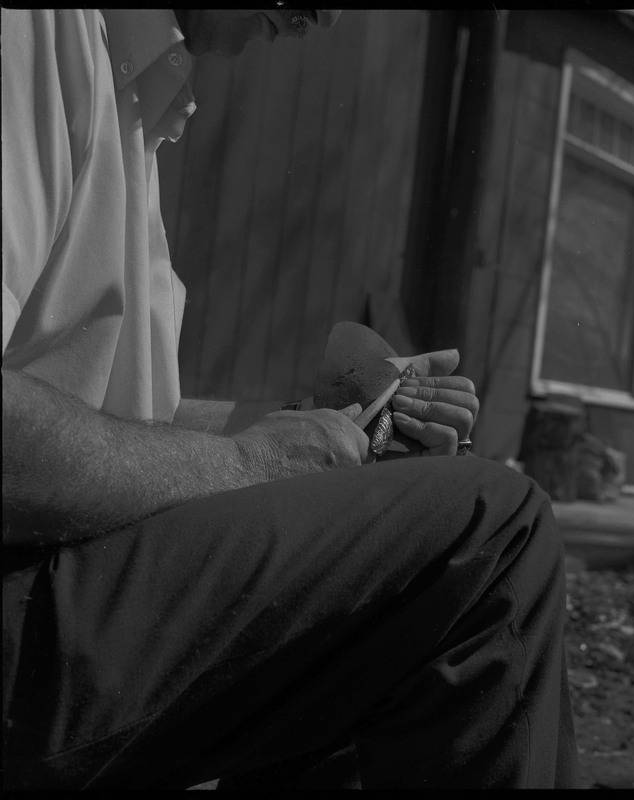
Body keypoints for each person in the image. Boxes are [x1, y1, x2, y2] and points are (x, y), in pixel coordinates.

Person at [2, 8, 580, 790]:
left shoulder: (137, 92)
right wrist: (248, 463)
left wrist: (311, 441)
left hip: (54, 593)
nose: (328, 14)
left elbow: (112, 420)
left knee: (378, 586)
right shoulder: (33, 30)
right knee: (490, 533)